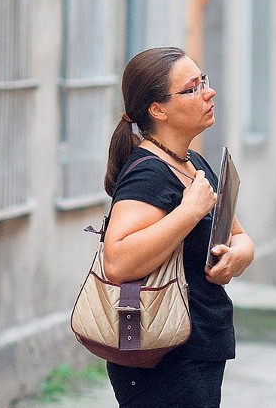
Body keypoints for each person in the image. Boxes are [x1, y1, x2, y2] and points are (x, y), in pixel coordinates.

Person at [102, 47, 254, 407]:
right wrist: (188, 211)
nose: (208, 92)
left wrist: (236, 257)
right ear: (158, 109)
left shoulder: (193, 163)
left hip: (196, 346)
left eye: (204, 81)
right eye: (192, 88)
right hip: (162, 355)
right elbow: (117, 261)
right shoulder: (148, 173)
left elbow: (240, 236)